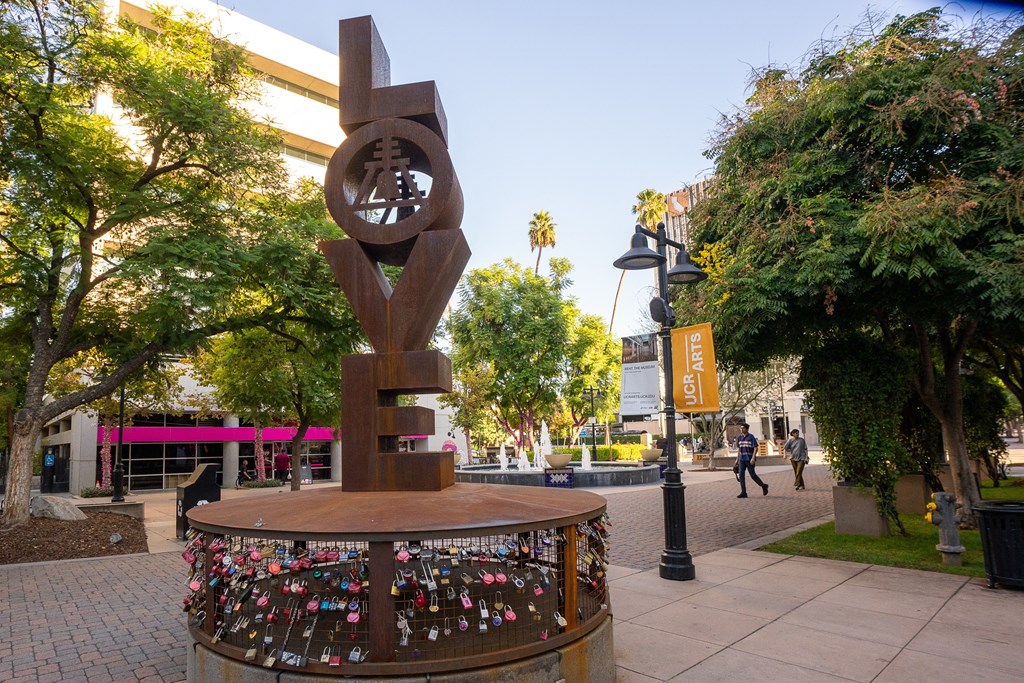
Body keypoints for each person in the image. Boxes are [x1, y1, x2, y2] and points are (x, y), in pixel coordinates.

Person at [734, 423, 768, 498]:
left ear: (747, 429)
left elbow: (756, 448)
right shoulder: (739, 437)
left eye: (743, 428)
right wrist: (737, 459)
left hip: (749, 459)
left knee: (752, 475)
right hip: (741, 459)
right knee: (741, 475)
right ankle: (743, 492)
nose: (741, 429)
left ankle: (763, 485)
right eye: (740, 428)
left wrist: (753, 458)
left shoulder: (751, 437)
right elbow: (739, 448)